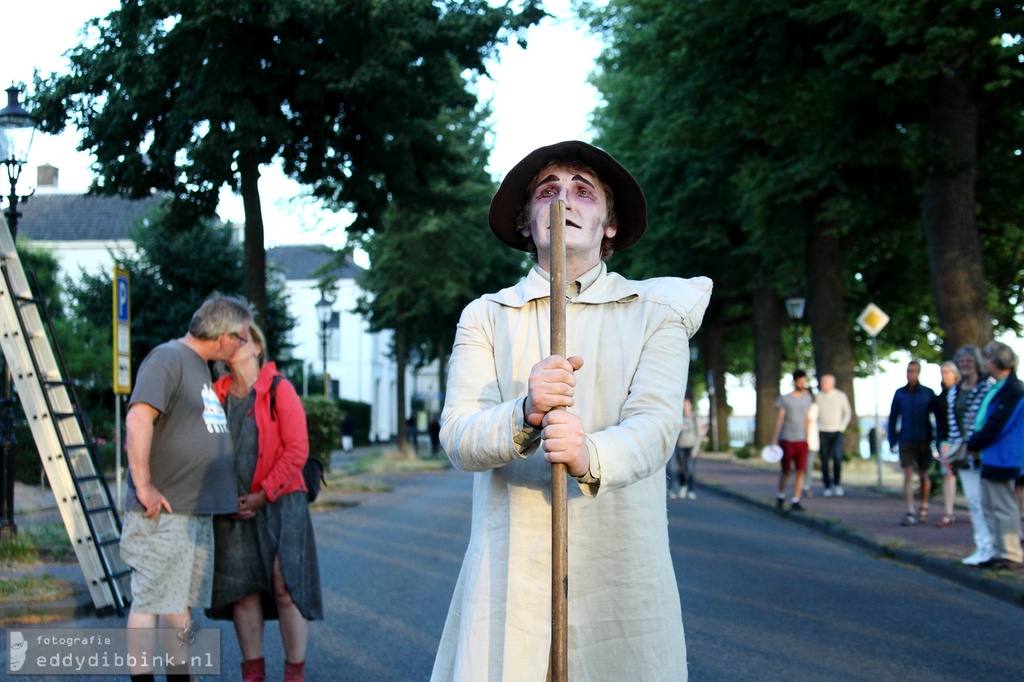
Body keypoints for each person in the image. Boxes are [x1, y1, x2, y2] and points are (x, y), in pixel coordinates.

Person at [432, 140, 712, 681]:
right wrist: (524, 412)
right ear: (526, 221)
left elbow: (656, 426)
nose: (564, 202)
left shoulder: (656, 314)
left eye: (583, 192)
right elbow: (459, 434)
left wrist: (589, 453)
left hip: (620, 567)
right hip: (511, 571)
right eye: (547, 192)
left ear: (609, 224)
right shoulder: (487, 317)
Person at [120, 294, 253, 682]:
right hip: (163, 512)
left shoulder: (199, 367)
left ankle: (180, 676)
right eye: (241, 338)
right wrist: (143, 484)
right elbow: (138, 420)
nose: (243, 346)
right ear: (223, 337)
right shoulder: (167, 359)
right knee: (149, 601)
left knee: (178, 603)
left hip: (192, 511)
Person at [207, 322, 322, 682]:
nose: (238, 342)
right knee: (243, 591)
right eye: (231, 337)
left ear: (259, 347)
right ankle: (252, 674)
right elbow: (206, 451)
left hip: (281, 501)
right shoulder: (215, 395)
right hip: (235, 507)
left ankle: (294, 673)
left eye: (246, 337)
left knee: (284, 587)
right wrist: (223, 496)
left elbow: (297, 451)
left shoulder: (280, 389)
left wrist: (263, 494)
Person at [966, 341, 1024, 570]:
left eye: (988, 358)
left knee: (1003, 506)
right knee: (991, 505)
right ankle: (1000, 550)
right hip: (993, 454)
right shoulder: (1000, 388)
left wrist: (975, 441)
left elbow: (999, 424)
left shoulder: (1013, 391)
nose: (985, 363)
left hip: (1005, 455)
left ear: (998, 362)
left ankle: (1011, 553)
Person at [944, 346, 994, 564]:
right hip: (962, 453)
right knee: (973, 501)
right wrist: (952, 448)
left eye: (968, 360)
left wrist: (976, 443)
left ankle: (993, 546)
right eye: (961, 361)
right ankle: (982, 545)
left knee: (989, 501)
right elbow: (952, 423)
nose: (965, 364)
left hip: (983, 451)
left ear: (976, 362)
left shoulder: (987, 388)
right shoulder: (954, 391)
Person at [887, 360, 939, 526]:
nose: (911, 374)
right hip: (906, 439)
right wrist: (892, 439)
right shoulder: (900, 394)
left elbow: (938, 416)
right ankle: (910, 510)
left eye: (914, 371)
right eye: (909, 371)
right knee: (907, 474)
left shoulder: (928, 393)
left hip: (924, 439)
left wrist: (937, 439)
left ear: (919, 372)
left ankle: (923, 507)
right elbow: (893, 418)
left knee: (924, 475)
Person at [771, 370, 814, 512]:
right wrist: (775, 439)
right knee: (786, 469)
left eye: (804, 382)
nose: (803, 384)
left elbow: (808, 419)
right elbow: (780, 419)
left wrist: (808, 438)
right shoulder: (785, 399)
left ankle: (796, 499)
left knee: (801, 469)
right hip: (787, 438)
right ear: (795, 381)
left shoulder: (808, 398)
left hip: (801, 439)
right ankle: (781, 495)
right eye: (800, 382)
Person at [815, 374, 852, 497]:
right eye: (822, 382)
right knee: (824, 459)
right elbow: (813, 413)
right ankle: (827, 485)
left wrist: (842, 427)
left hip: (836, 431)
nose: (823, 385)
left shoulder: (840, 396)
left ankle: (837, 483)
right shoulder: (818, 396)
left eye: (825, 382)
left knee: (837, 457)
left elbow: (847, 412)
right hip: (822, 431)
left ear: (832, 384)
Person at [668, 398, 701, 500]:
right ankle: (681, 486)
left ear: (690, 406)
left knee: (691, 470)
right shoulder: (679, 418)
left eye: (686, 405)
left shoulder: (694, 419)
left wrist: (695, 450)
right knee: (682, 469)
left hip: (691, 447)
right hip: (681, 447)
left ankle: (691, 491)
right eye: (683, 405)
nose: (685, 407)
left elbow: (699, 435)